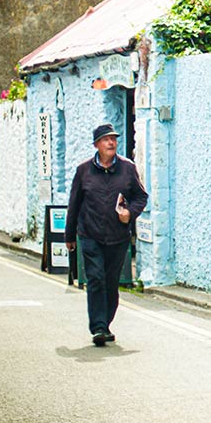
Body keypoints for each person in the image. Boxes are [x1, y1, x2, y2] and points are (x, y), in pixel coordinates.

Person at [65, 123, 148, 346]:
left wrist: (129, 213)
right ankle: (98, 328)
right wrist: (69, 236)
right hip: (90, 235)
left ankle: (106, 324)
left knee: (111, 283)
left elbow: (141, 197)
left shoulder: (127, 168)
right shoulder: (84, 171)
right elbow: (74, 204)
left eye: (113, 139)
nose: (111, 143)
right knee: (95, 278)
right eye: (106, 139)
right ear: (96, 145)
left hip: (118, 237)